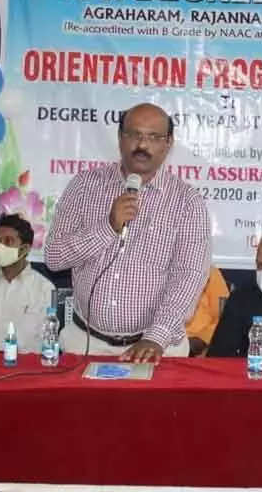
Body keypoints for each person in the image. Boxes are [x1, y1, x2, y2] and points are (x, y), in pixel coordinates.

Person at [45, 103, 211, 363]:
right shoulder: (84, 186)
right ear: (120, 138)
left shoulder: (186, 201)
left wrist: (156, 337)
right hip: (85, 341)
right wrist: (107, 227)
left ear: (168, 143)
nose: (142, 145)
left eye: (153, 137)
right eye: (134, 134)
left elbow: (188, 277)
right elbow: (54, 258)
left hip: (157, 347)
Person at [0, 214, 53, 352]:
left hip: (27, 365)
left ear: (25, 249)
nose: (0, 246)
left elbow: (47, 339)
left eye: (8, 241)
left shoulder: (44, 289)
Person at [185, 267, 230, 356]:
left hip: (198, 344)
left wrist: (203, 339)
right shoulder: (156, 272)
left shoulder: (210, 273)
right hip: (161, 341)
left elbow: (223, 317)